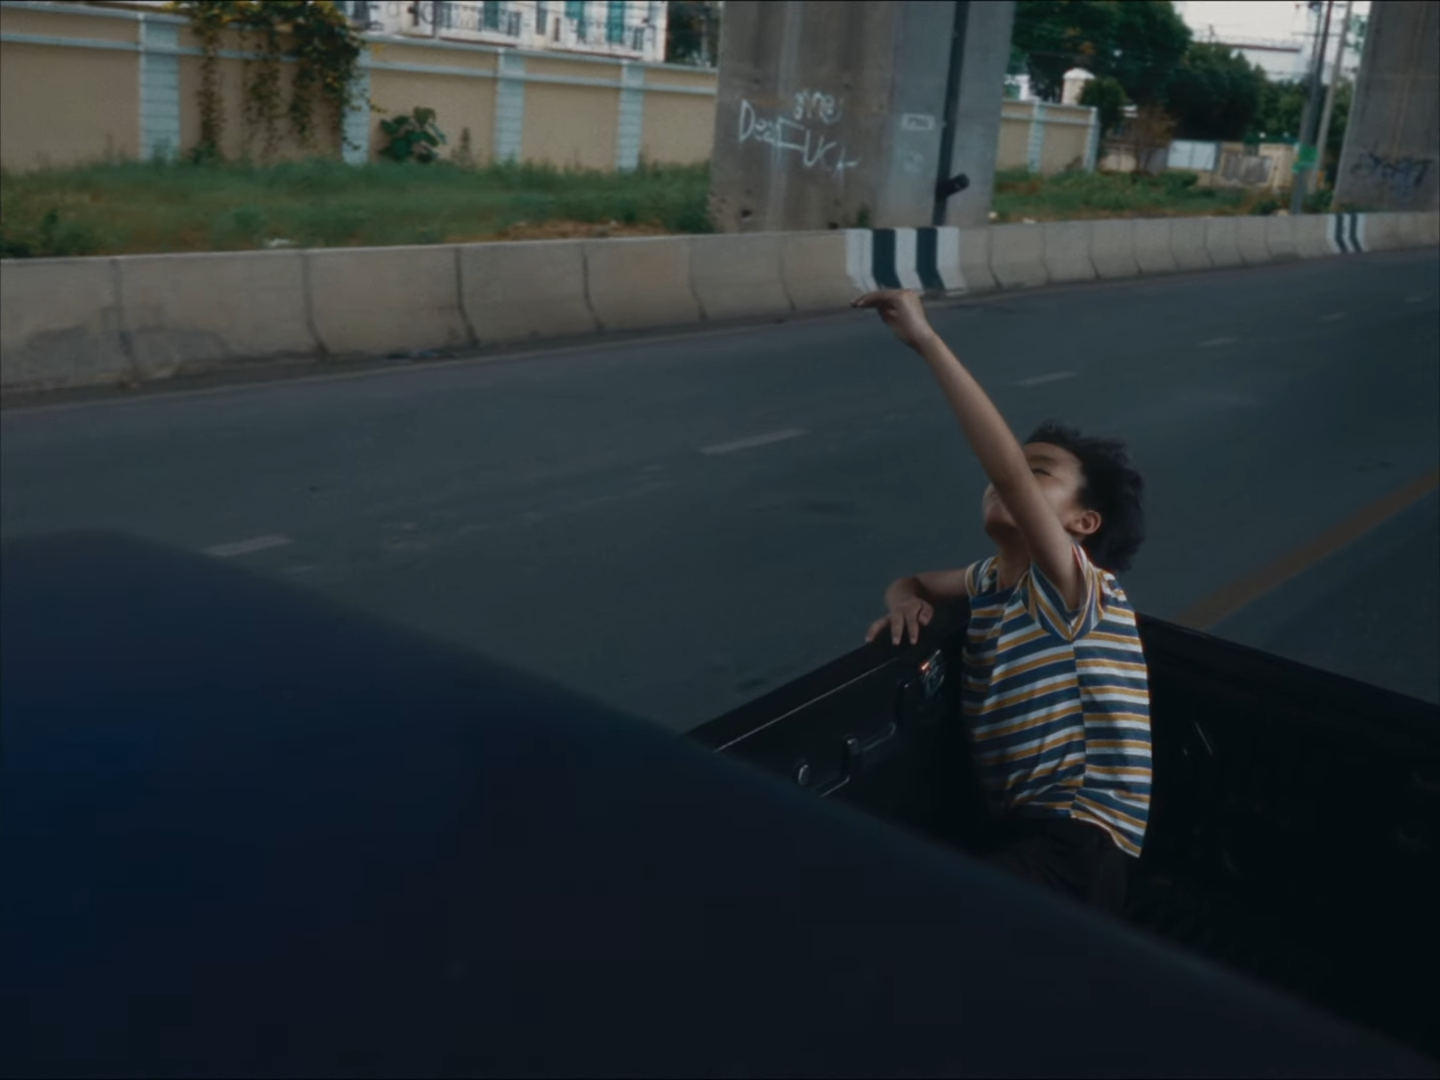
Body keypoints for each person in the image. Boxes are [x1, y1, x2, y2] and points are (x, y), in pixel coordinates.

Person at [855, 289, 1150, 917]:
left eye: (1039, 471)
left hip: (1077, 843)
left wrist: (926, 341)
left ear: (1083, 523)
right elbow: (912, 581)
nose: (1007, 477)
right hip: (1020, 836)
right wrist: (903, 601)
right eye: (1019, 468)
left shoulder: (1075, 590)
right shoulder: (992, 581)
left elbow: (1009, 477)